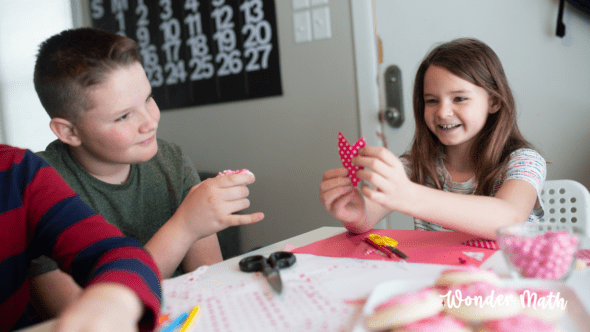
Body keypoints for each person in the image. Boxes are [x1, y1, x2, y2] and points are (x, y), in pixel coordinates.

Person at [29, 27, 264, 318]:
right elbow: (84, 316)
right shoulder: (38, 186)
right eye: (124, 116)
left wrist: (200, 219)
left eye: (148, 99)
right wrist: (185, 227)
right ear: (69, 131)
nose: (150, 122)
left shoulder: (172, 161)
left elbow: (209, 284)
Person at [319, 38, 546, 240]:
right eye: (431, 101)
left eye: (459, 98)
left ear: (494, 102)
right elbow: (367, 216)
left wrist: (409, 195)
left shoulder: (524, 161)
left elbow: (509, 218)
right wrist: (355, 213)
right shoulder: (415, 165)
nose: (442, 112)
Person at [0, 144, 161, 332]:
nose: (149, 123)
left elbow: (120, 253)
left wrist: (111, 302)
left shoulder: (17, 170)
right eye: (122, 117)